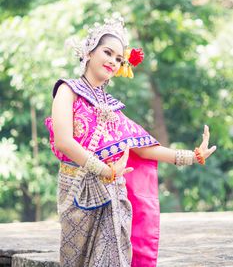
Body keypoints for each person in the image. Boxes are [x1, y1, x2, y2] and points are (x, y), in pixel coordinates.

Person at [45, 14, 216, 267]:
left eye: (118, 58)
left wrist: (192, 156)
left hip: (114, 195)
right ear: (89, 52)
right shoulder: (67, 91)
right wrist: (104, 170)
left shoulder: (112, 107)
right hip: (77, 190)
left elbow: (144, 149)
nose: (113, 61)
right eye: (107, 52)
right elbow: (64, 142)